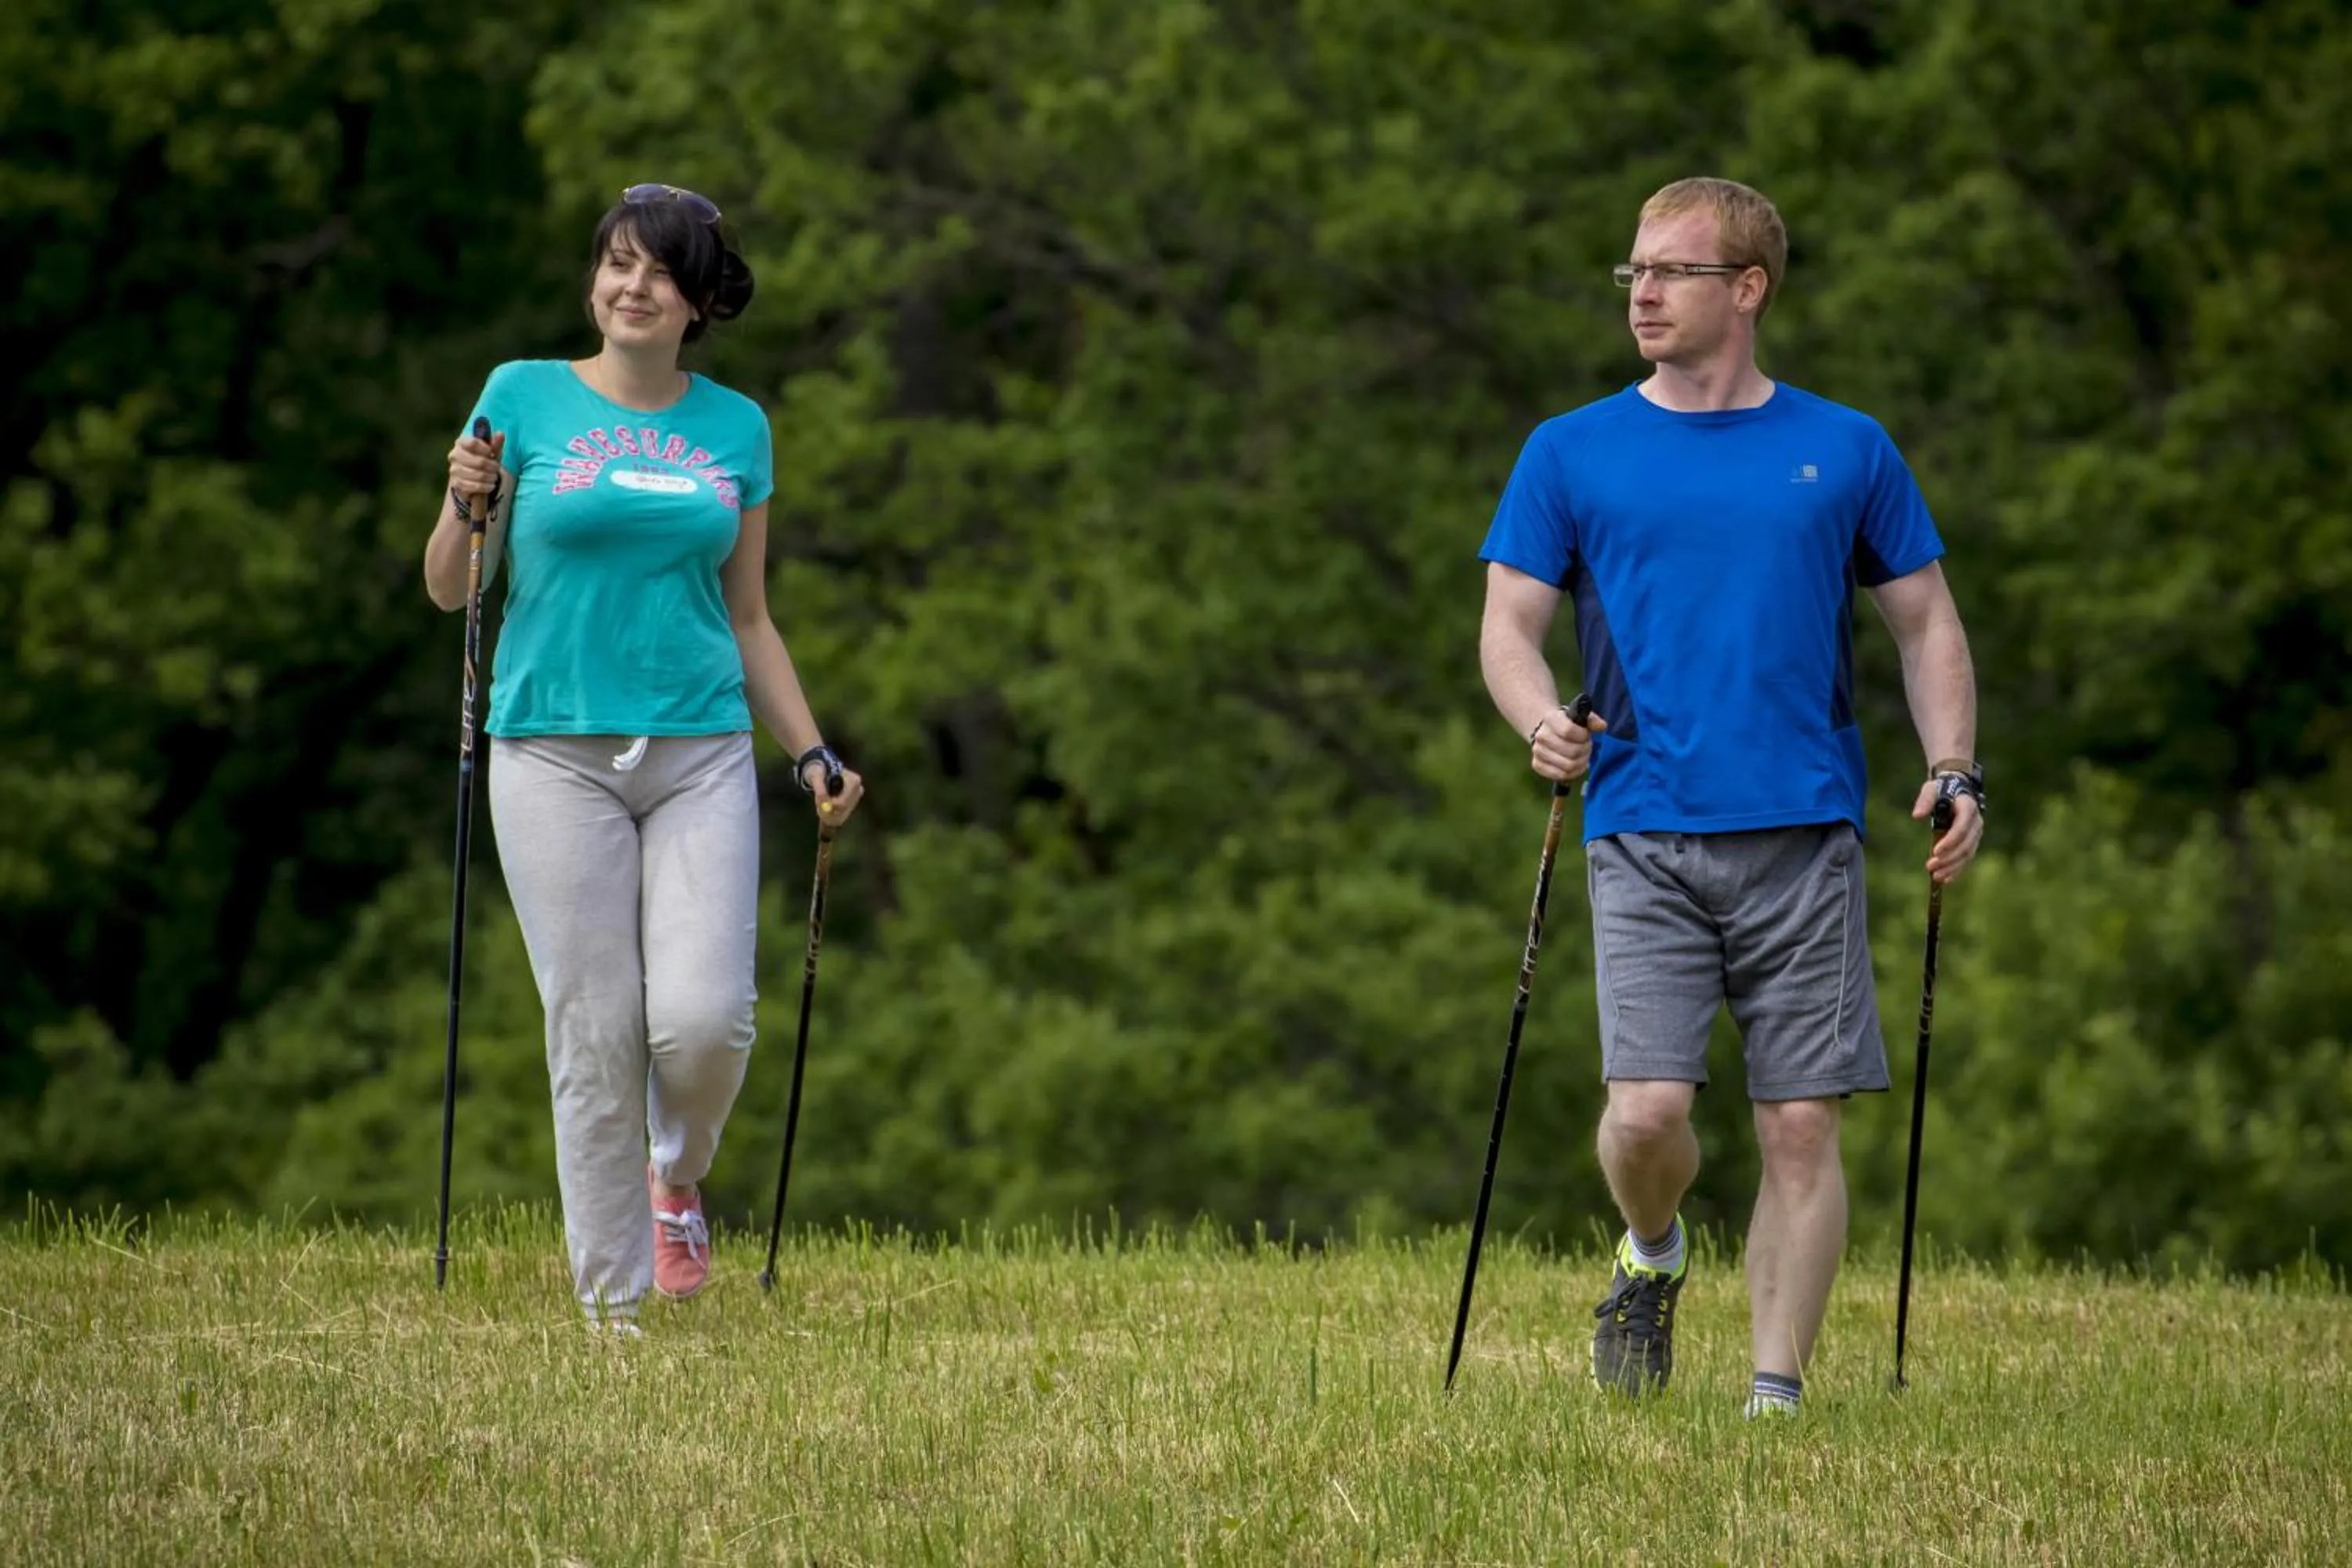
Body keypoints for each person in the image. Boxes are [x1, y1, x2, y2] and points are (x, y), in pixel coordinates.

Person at [1476, 176, 1983, 1416]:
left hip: (1805, 833)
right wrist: (1540, 719)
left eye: (1672, 272)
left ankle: (1774, 1406)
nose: (1642, 292)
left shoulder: (1847, 447)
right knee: (1645, 1116)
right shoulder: (1572, 448)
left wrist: (1955, 768)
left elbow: (1925, 626)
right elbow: (1507, 624)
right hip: (1642, 827)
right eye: (1632, 273)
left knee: (1802, 1127)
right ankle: (1652, 1252)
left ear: (1746, 289)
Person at [423, 182, 866, 1334]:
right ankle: (612, 1311)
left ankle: (677, 1176)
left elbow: (752, 617)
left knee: (705, 1020)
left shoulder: (737, 427)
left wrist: (811, 750)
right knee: (594, 1027)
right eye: (617, 264)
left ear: (698, 302)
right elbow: (451, 588)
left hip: (701, 748)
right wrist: (462, 505)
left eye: (660, 273)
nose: (633, 287)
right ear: (594, 281)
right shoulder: (519, 398)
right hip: (550, 751)